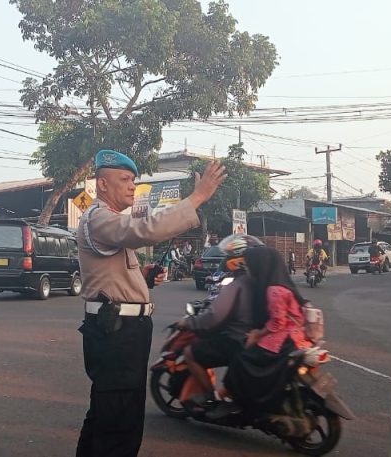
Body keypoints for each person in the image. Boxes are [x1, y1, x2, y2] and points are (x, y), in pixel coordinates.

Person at [75, 149, 226, 457]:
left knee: (107, 415)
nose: (132, 185)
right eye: (124, 179)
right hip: (116, 332)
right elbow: (144, 231)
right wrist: (197, 198)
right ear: (102, 185)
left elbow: (112, 275)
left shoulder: (109, 220)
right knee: (120, 422)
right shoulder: (100, 217)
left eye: (133, 179)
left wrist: (142, 277)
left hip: (121, 330)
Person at [223, 246, 312, 417]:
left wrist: (257, 334)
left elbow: (276, 323)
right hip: (298, 337)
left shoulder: (273, 290)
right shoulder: (285, 284)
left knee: (241, 358)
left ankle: (243, 400)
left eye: (250, 265)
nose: (248, 269)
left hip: (282, 341)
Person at [177, 234, 263, 412]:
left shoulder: (238, 285)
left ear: (237, 260)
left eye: (229, 256)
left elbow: (214, 317)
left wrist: (190, 322)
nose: (226, 260)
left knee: (190, 352)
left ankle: (210, 397)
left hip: (237, 339)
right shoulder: (258, 282)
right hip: (254, 338)